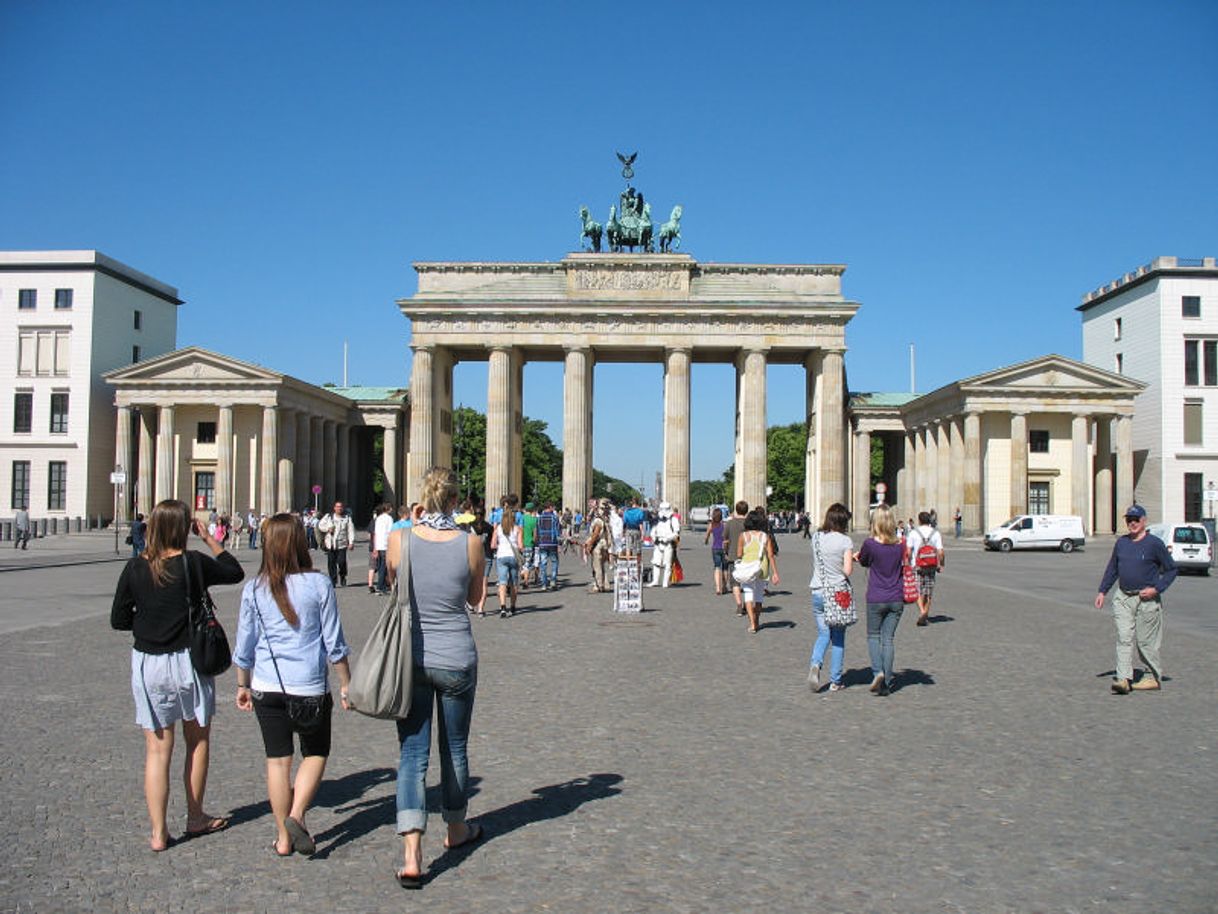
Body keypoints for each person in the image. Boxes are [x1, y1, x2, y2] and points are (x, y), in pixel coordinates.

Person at [110, 499, 244, 851]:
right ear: (186, 528)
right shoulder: (193, 563)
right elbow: (233, 571)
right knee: (197, 741)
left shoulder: (136, 568)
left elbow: (118, 620)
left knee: (157, 750)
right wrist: (211, 539)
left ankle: (158, 832)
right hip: (189, 661)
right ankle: (195, 816)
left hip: (148, 663)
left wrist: (148, 620)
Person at [386, 467, 486, 888]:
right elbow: (476, 599)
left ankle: (411, 855)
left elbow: (396, 586)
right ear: (455, 501)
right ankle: (456, 829)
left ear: (422, 499)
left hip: (411, 658)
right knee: (455, 750)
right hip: (456, 658)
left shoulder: (399, 539)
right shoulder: (472, 542)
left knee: (412, 756)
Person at [233, 514, 352, 857]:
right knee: (315, 753)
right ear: (301, 543)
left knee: (277, 762)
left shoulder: (254, 589)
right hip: (310, 687)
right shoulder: (318, 585)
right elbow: (335, 643)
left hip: (266, 687)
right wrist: (346, 684)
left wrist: (243, 685)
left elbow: (244, 646)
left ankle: (282, 839)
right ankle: (297, 816)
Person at [1095, 504, 1177, 694]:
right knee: (1123, 638)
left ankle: (1151, 676)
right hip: (1124, 597)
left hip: (1146, 599)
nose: (1132, 523)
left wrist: (1157, 589)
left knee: (1145, 641)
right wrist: (1102, 591)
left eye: (1136, 520)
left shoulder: (1154, 544)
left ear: (1144, 521)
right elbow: (1113, 568)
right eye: (1129, 520)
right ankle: (1123, 678)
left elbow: (1172, 569)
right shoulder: (1122, 543)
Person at [855, 505, 906, 696]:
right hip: (896, 597)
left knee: (873, 637)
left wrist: (857, 558)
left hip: (876, 597)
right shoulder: (900, 544)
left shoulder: (870, 544)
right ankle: (888, 681)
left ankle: (878, 672)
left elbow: (864, 561)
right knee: (889, 639)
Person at [808, 503, 854, 692]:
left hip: (818, 590)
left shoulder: (816, 538)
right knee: (838, 638)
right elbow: (847, 571)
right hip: (837, 593)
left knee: (823, 633)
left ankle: (815, 664)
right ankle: (835, 680)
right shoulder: (845, 541)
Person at [736, 507, 779, 633]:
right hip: (762, 568)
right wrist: (775, 572)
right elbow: (771, 555)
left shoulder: (743, 536)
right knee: (759, 596)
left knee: (748, 595)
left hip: (747, 567)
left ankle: (752, 623)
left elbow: (739, 554)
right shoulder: (765, 536)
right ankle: (757, 619)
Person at [906, 510, 944, 626]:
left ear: (919, 520)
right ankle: (926, 613)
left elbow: (908, 551)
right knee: (928, 591)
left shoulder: (913, 533)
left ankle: (922, 612)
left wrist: (908, 563)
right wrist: (941, 564)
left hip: (917, 566)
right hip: (931, 566)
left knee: (918, 590)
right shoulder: (935, 533)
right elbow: (941, 552)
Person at [490, 500, 522, 617]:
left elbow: (492, 545)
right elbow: (520, 546)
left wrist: (500, 546)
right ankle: (513, 607)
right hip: (513, 557)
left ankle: (503, 607)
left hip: (501, 556)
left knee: (502, 583)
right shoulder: (517, 528)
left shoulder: (498, 528)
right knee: (514, 583)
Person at [317, 501, 356, 587]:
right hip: (330, 544)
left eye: (341, 507)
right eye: (337, 507)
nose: (339, 508)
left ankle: (342, 576)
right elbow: (320, 525)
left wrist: (351, 542)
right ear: (334, 508)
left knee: (342, 562)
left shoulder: (347, 518)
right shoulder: (328, 517)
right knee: (331, 563)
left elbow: (350, 530)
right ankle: (333, 580)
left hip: (342, 543)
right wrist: (328, 528)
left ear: (343, 508)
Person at [646, 502, 681, 588]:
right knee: (656, 562)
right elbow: (653, 529)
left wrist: (667, 538)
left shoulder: (673, 519)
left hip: (668, 543)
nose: (663, 511)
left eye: (665, 509)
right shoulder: (657, 519)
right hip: (658, 543)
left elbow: (676, 533)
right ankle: (655, 580)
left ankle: (665, 582)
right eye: (661, 509)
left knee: (667, 563)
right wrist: (654, 538)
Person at [724, 501, 749, 616]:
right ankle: (747, 604)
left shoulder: (729, 523)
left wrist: (726, 551)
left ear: (736, 510)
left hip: (733, 555)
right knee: (748, 582)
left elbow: (725, 540)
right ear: (746, 510)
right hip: (748, 556)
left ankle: (739, 605)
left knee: (735, 583)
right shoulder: (749, 523)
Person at [471, 507, 495, 615]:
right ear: (485, 514)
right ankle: (481, 608)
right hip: (487, 556)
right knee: (484, 584)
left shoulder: (470, 526)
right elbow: (492, 544)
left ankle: (471, 604)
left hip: (473, 556)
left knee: (471, 582)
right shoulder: (489, 527)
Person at [585, 500, 611, 593]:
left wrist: (590, 544)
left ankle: (598, 585)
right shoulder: (605, 518)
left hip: (598, 544)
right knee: (601, 565)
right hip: (604, 544)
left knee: (597, 566)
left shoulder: (598, 520)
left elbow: (596, 533)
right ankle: (605, 584)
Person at [535, 503, 560, 590]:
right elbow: (557, 531)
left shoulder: (539, 518)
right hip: (552, 543)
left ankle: (544, 584)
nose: (553, 509)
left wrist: (537, 543)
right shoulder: (555, 517)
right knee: (554, 562)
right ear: (549, 507)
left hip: (542, 543)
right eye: (552, 507)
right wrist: (559, 543)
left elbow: (537, 531)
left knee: (543, 563)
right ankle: (553, 581)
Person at [704, 507, 727, 595]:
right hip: (724, 548)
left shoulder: (711, 525)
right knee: (725, 568)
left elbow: (707, 536)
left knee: (717, 567)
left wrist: (706, 541)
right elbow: (727, 536)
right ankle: (724, 586)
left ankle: (718, 587)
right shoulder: (724, 525)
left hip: (715, 548)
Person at [373, 502, 394, 594]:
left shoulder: (378, 518)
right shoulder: (389, 518)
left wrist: (375, 547)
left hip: (379, 544)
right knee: (384, 567)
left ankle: (381, 585)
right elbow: (391, 532)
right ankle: (380, 586)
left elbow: (376, 533)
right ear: (389, 509)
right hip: (386, 544)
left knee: (381, 565)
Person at [519, 502, 538, 588]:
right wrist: (534, 541)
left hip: (520, 543)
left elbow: (519, 530)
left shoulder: (521, 518)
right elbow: (535, 534)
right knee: (528, 563)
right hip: (529, 544)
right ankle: (526, 581)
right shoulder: (534, 520)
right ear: (533, 510)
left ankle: (522, 573)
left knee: (522, 562)